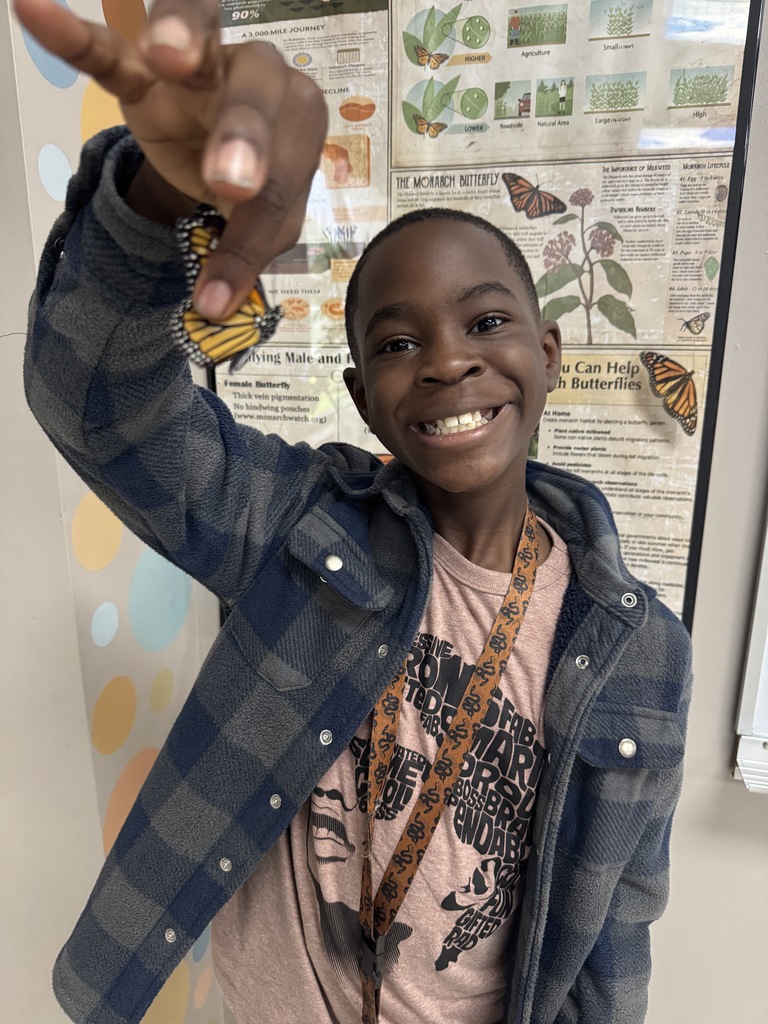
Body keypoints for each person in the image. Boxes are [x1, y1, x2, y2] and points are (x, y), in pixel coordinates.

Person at [15, 2, 692, 1023]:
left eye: (488, 319)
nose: (450, 357)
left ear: (548, 354)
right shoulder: (302, 527)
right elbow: (102, 410)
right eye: (396, 343)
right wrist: (155, 201)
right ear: (365, 396)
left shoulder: (645, 653)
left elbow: (617, 917)